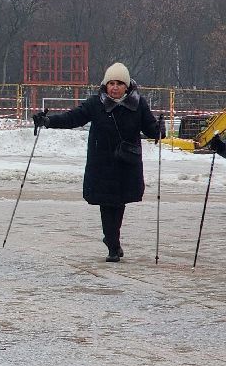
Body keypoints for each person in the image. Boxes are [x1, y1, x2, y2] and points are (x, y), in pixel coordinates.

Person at [33, 61, 160, 263]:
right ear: (105, 85)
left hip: (126, 164)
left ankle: (112, 240)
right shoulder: (95, 103)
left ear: (127, 86)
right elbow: (72, 118)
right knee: (107, 204)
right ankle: (112, 245)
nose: (115, 87)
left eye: (119, 83)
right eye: (111, 83)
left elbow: (152, 129)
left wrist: (159, 129)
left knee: (118, 204)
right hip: (102, 164)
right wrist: (48, 121)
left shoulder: (138, 104)